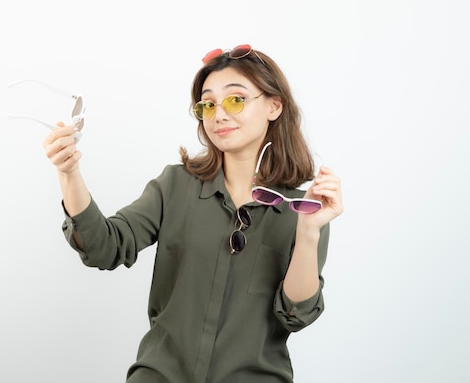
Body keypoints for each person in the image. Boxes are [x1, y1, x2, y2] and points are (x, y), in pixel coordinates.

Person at [42, 44, 343, 383]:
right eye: (208, 104)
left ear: (274, 106)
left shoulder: (301, 211)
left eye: (235, 100)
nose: (219, 114)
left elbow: (296, 315)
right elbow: (105, 247)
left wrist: (307, 232)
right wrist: (69, 174)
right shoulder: (175, 186)